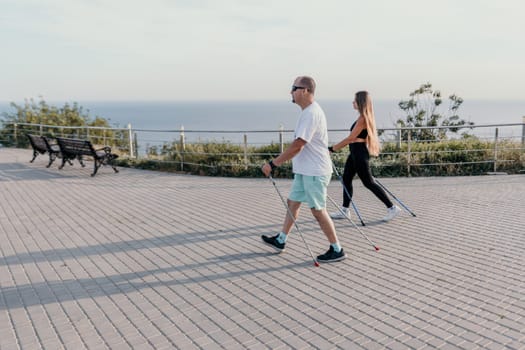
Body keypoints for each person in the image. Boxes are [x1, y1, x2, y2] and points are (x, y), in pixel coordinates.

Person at [261, 76, 346, 263]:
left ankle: (337, 249)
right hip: (305, 170)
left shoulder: (311, 113)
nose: (291, 92)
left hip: (315, 172)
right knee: (293, 202)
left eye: (294, 88)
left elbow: (298, 145)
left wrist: (273, 164)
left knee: (317, 210)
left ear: (305, 91)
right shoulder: (307, 111)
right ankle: (281, 240)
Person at [328, 91, 401, 222]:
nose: (352, 102)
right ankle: (345, 210)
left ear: (360, 102)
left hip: (359, 153)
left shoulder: (362, 119)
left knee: (368, 182)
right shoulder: (361, 117)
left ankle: (392, 208)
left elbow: (351, 138)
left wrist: (332, 149)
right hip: (355, 153)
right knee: (346, 179)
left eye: (354, 100)